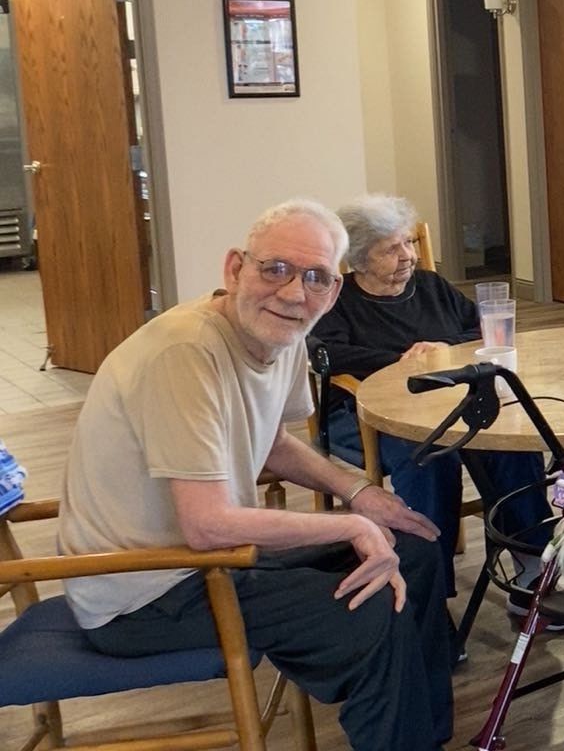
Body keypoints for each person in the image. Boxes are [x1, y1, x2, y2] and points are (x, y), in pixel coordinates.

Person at [58, 200, 454, 751]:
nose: (293, 292)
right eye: (275, 269)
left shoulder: (284, 332)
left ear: (333, 291)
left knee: (412, 548)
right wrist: (349, 528)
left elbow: (271, 445)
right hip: (146, 590)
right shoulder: (186, 352)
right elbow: (205, 526)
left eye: (315, 277)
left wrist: (360, 494)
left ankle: (427, 735)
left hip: (215, 560)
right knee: (373, 614)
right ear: (234, 268)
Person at [310, 194, 553, 597]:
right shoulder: (339, 299)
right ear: (360, 258)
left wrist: (440, 346)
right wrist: (402, 360)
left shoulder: (432, 285)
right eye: (392, 248)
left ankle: (530, 563)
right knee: (427, 458)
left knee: (511, 444)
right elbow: (325, 353)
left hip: (446, 405)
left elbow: (480, 329)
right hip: (364, 414)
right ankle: (430, 592)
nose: (408, 255)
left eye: (409, 242)